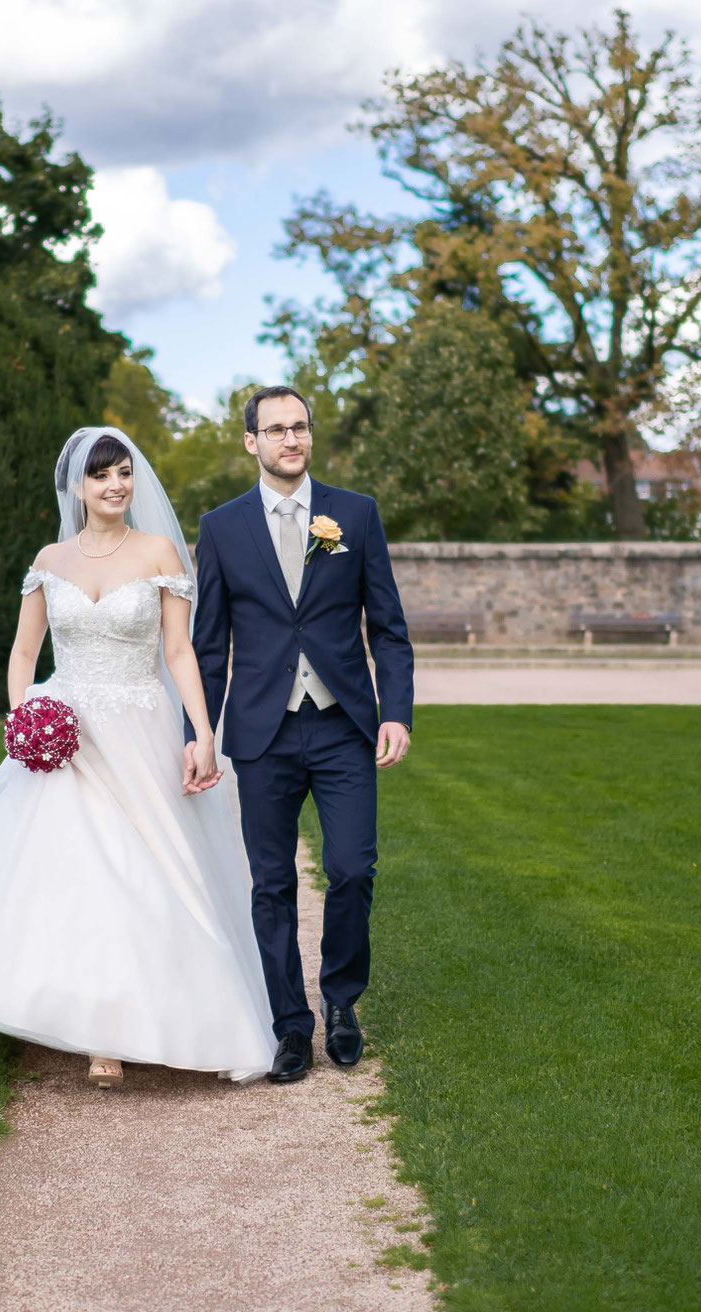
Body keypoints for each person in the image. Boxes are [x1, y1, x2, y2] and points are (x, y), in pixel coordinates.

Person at [0, 428, 273, 1086]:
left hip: (138, 732)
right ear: (77, 487)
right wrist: (25, 715)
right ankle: (86, 1029)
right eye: (100, 476)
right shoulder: (50, 559)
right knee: (70, 874)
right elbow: (25, 653)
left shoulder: (159, 552)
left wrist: (202, 730)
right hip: (66, 732)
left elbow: (178, 653)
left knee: (140, 872)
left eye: (123, 474)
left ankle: (131, 1022)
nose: (114, 486)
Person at [187, 386, 415, 1084]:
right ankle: (292, 1025)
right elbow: (208, 647)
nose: (291, 438)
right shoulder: (221, 528)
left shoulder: (354, 515)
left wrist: (395, 710)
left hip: (344, 726)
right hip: (263, 732)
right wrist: (199, 733)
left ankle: (342, 1003)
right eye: (275, 429)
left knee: (352, 869)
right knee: (272, 882)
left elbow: (389, 628)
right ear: (251, 442)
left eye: (300, 427)